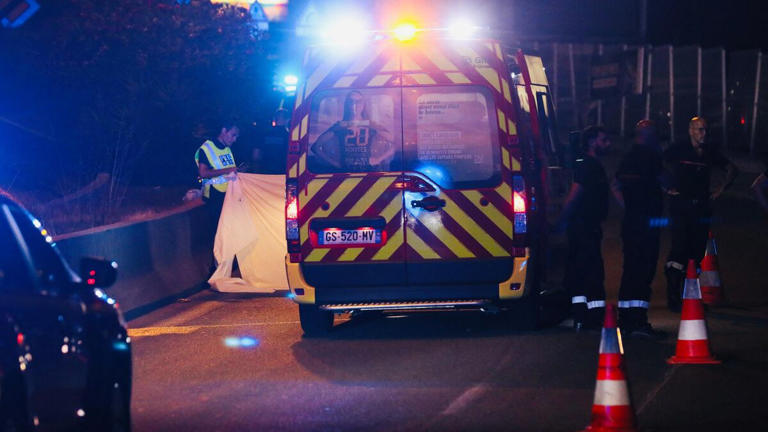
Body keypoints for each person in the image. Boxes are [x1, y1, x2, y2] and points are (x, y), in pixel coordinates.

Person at [663, 117, 737, 312]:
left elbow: (731, 169)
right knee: (679, 250)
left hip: (701, 208)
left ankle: (690, 296)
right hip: (681, 207)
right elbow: (658, 164)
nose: (703, 134)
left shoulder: (710, 152)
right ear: (690, 130)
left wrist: (720, 189)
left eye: (705, 130)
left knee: (696, 252)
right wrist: (666, 187)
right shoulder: (679, 148)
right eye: (699, 130)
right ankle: (673, 296)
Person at [613, 120, 665, 338]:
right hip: (647, 224)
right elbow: (666, 182)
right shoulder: (653, 158)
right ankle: (638, 321)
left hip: (632, 222)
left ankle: (625, 320)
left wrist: (629, 207)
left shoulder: (627, 158)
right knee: (644, 272)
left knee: (630, 270)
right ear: (649, 136)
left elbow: (615, 186)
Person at [557, 126, 611, 331]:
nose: (608, 144)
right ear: (591, 142)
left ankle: (581, 316)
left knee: (579, 271)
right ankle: (594, 317)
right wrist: (562, 220)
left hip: (583, 226)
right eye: (603, 140)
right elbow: (574, 195)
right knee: (592, 272)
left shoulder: (589, 165)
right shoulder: (589, 166)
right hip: (585, 227)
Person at [311, 90, 394, 172]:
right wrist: (336, 163)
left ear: (363, 105)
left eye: (358, 102)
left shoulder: (371, 125)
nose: (354, 105)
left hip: (368, 172)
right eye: (351, 101)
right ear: (347, 105)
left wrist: (378, 159)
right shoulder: (340, 126)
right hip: (345, 173)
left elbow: (395, 144)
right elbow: (316, 147)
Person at [195, 122, 240, 269]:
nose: (234, 139)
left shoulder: (227, 148)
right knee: (216, 233)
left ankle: (228, 263)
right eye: (233, 135)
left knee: (229, 231)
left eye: (236, 136)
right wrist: (228, 170)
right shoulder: (206, 148)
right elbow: (203, 173)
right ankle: (215, 268)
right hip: (214, 195)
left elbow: (229, 171)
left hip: (228, 194)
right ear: (224, 130)